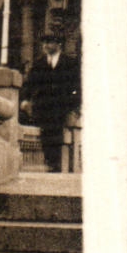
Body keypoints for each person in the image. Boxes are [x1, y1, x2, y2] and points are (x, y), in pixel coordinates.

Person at [21, 34, 81, 173]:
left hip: (62, 107)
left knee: (56, 132)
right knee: (44, 132)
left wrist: (74, 108)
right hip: (42, 107)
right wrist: (25, 100)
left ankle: (54, 164)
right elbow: (29, 84)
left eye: (49, 42)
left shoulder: (70, 62)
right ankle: (50, 163)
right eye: (44, 43)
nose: (45, 46)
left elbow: (77, 87)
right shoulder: (39, 63)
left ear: (58, 44)